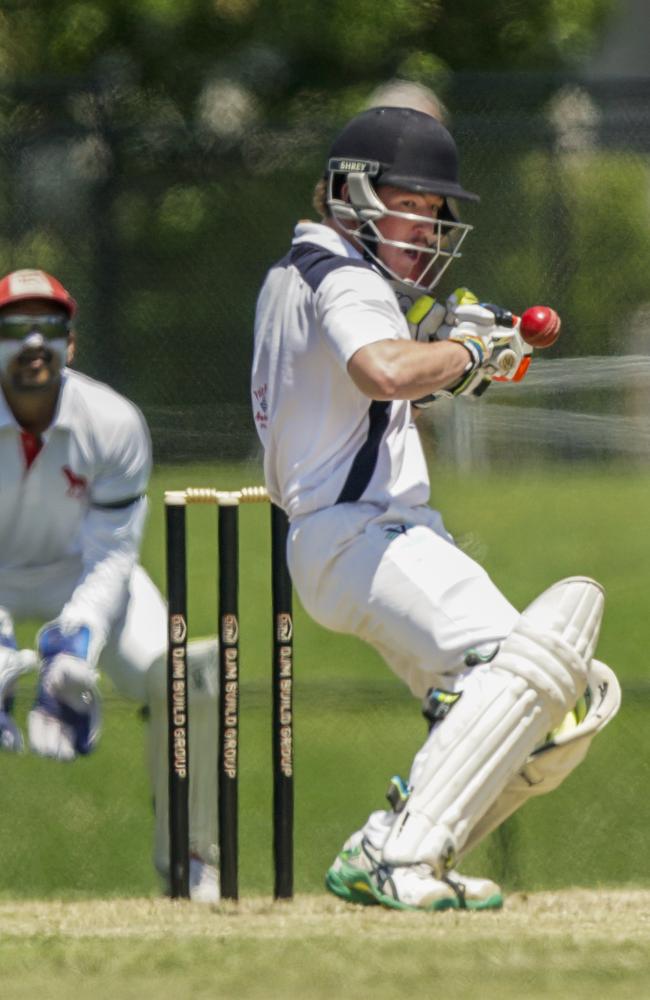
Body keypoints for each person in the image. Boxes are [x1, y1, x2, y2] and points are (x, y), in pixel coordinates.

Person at [251, 106, 621, 911]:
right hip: (358, 535)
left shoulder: (298, 272)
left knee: (551, 710)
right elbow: (382, 370)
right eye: (406, 207)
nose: (422, 230)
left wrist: (449, 350)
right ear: (349, 195)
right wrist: (469, 351)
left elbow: (370, 394)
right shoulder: (342, 274)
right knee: (521, 668)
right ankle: (396, 858)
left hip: (357, 536)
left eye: (432, 214)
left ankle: (395, 847)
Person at [0, 268, 220, 903]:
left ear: (72, 343)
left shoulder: (113, 420)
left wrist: (76, 644)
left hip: (85, 577)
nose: (33, 343)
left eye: (50, 328)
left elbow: (113, 552)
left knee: (190, 675)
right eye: (15, 328)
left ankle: (192, 861)